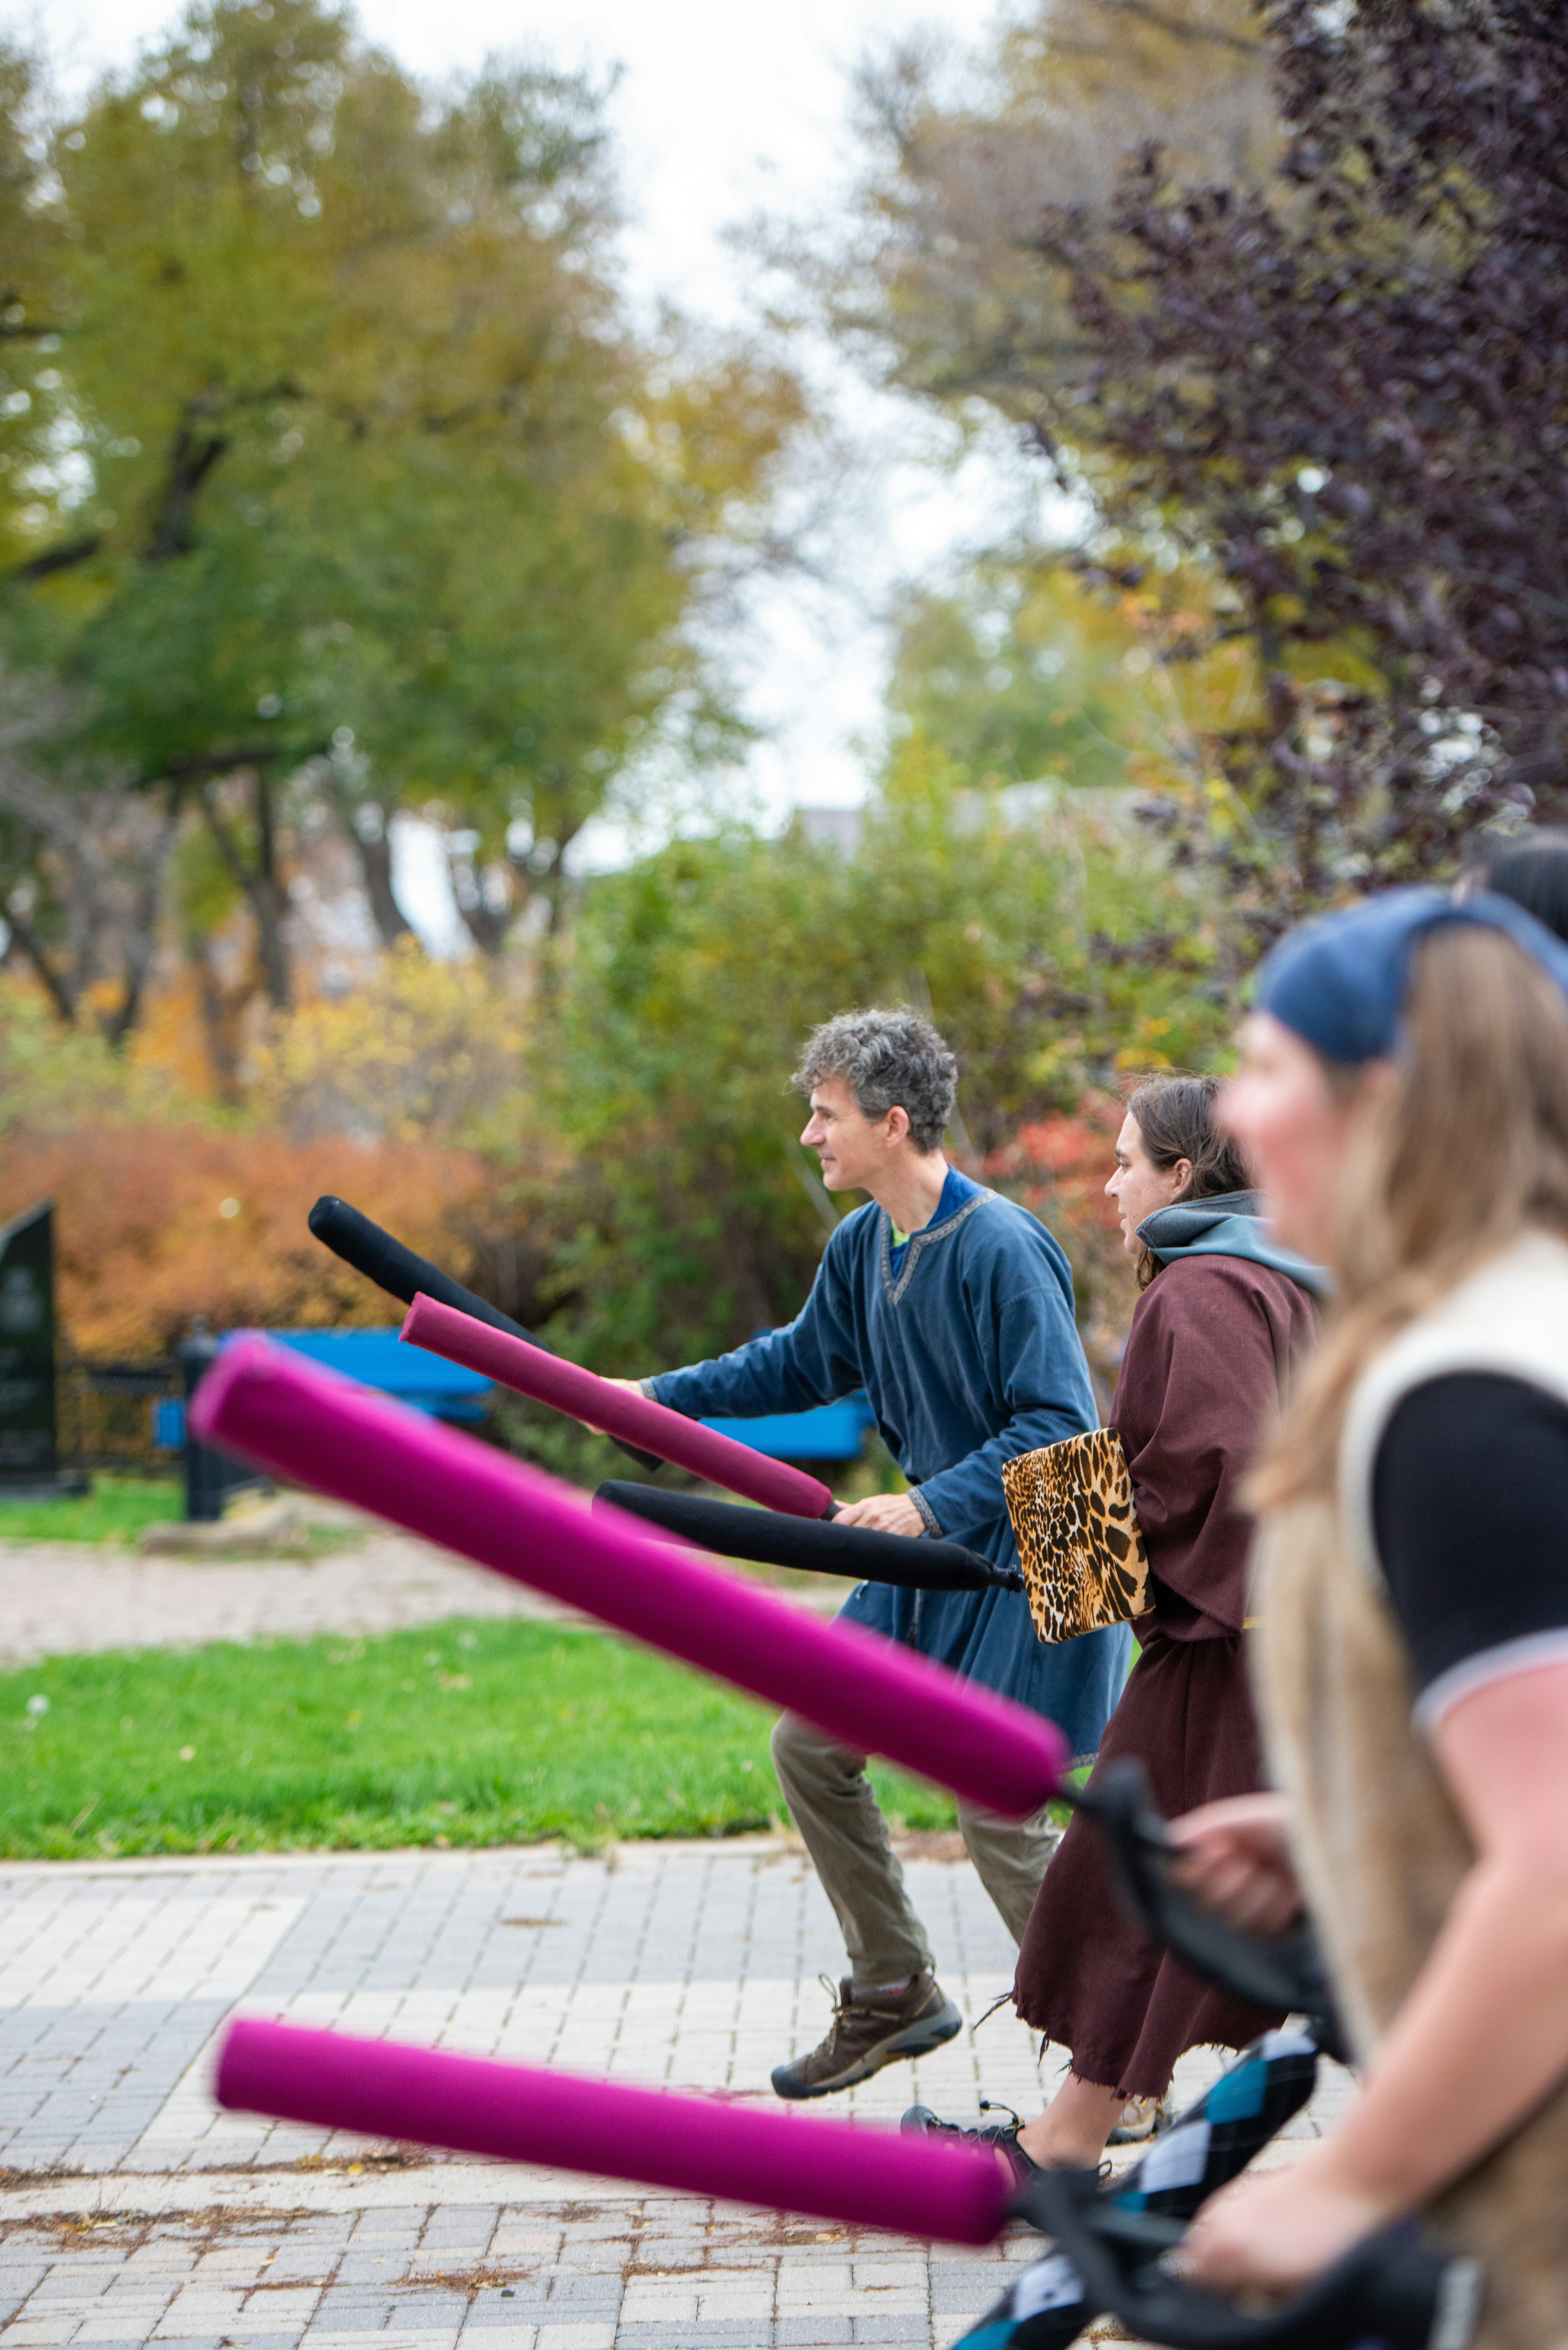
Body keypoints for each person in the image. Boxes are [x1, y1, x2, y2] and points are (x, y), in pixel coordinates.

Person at [1162, 886, 1568, 2348]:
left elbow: (1561, 1865)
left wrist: (1354, 2178)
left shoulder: (1466, 1393)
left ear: (1378, 1097)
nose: (1234, 1115)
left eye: (1264, 1067)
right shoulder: (1515, 1320)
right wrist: (1354, 1815)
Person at [620, 1007, 1131, 2099]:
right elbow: (795, 1365)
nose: (811, 1136)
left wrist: (921, 1508)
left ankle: (1119, 2066)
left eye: (825, 1114)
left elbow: (1059, 1426)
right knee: (811, 1745)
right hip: (947, 1544)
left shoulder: (1002, 1246)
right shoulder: (865, 1245)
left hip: (1053, 1537)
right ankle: (896, 1990)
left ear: (893, 1124)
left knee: (999, 1807)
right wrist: (655, 1403)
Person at [904, 1075, 1323, 2172]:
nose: (1110, 1184)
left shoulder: (1203, 1289)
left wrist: (1067, 1539)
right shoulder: (1287, 1277)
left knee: (1137, 1882)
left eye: (1129, 1161)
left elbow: (1215, 1468)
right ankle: (1073, 2136)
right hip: (1278, 1640)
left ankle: (1070, 2142)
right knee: (1162, 1883)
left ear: (1184, 1175)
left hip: (1225, 1651)